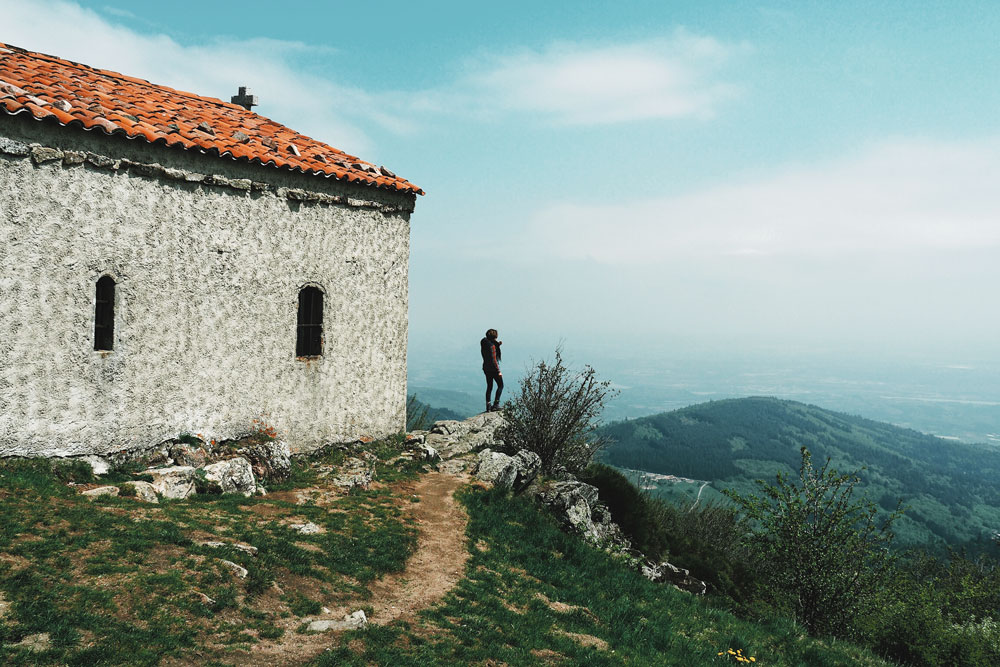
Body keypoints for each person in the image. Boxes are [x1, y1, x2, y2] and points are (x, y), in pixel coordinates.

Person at [480, 329, 503, 412]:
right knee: (500, 385)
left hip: (486, 368)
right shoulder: (492, 347)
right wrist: (498, 371)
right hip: (493, 369)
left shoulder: (484, 343)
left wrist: (498, 344)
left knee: (489, 387)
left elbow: (489, 341)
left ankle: (488, 406)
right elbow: (494, 360)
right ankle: (496, 404)